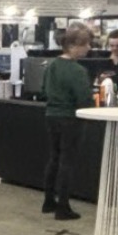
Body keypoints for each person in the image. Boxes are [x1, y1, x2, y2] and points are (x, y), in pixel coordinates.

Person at [41, 22, 93, 221]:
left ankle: (48, 201)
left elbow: (44, 91)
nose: (89, 48)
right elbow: (84, 99)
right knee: (67, 162)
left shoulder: (52, 65)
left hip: (51, 116)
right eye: (86, 44)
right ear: (73, 46)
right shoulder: (77, 71)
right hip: (70, 118)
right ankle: (63, 206)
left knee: (54, 157)